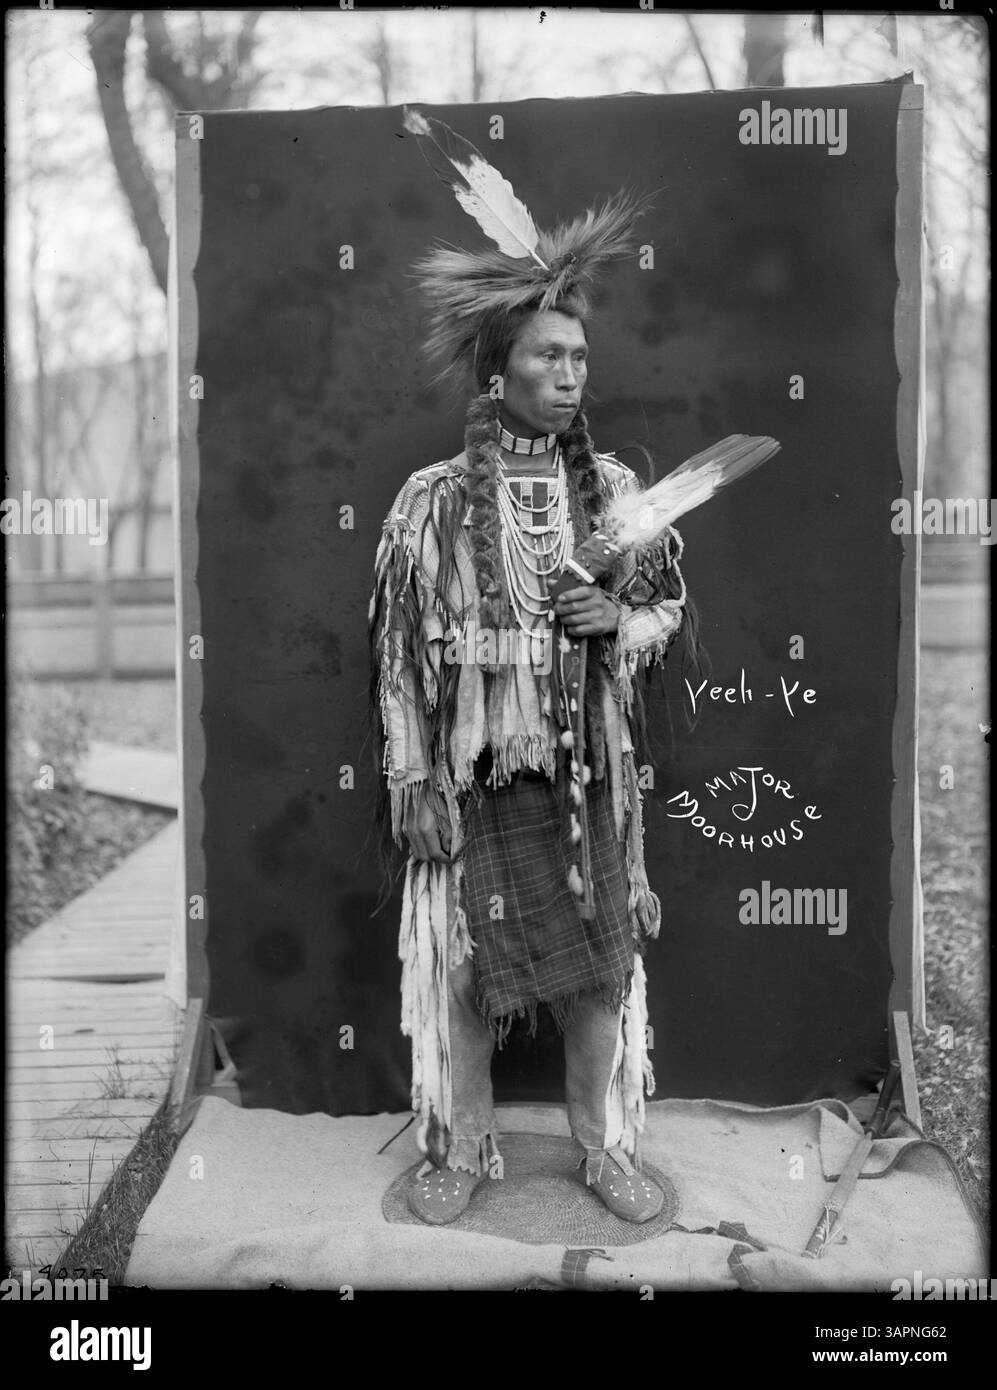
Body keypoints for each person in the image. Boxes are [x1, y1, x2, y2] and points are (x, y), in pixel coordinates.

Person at [368, 113, 695, 1227]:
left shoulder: (614, 492)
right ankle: (460, 1148)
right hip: (473, 774)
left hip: (588, 769)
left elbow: (667, 611)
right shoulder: (429, 502)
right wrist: (411, 775)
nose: (569, 374)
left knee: (598, 971)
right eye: (548, 355)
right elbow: (401, 654)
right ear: (498, 363)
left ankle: (602, 1149)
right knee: (462, 970)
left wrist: (618, 619)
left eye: (580, 358)